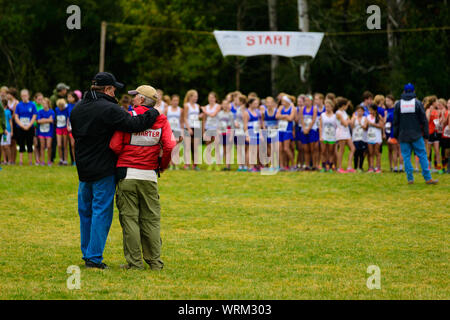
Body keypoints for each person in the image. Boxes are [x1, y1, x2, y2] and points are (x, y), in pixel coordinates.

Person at [70, 72, 161, 269]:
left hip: (83, 169)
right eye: (114, 90)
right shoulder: (109, 108)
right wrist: (153, 112)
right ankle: (94, 258)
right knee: (101, 212)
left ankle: (87, 253)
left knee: (85, 212)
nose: (115, 94)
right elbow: (134, 124)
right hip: (104, 168)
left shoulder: (77, 108)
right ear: (108, 89)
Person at [109, 85, 176, 270]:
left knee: (130, 219)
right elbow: (170, 146)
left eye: (135, 96)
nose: (132, 99)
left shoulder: (128, 117)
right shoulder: (162, 120)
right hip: (149, 175)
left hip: (127, 173)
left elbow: (115, 145)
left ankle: (135, 263)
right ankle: (155, 262)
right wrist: (161, 166)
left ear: (141, 100)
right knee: (151, 220)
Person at [393, 83, 438, 184]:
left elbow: (395, 122)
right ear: (414, 92)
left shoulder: (398, 104)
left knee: (406, 157)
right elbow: (424, 120)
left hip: (403, 135)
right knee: (422, 154)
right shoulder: (417, 103)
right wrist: (426, 135)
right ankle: (428, 178)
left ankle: (410, 179)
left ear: (404, 92)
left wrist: (395, 135)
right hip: (416, 135)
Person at [14, 89, 37, 165]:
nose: (24, 97)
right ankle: (21, 161)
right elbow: (16, 116)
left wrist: (29, 125)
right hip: (20, 127)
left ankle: (30, 161)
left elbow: (34, 116)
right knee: (21, 143)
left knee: (30, 143)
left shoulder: (32, 104)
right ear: (21, 96)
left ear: (28, 96)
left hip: (30, 127)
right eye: (23, 96)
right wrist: (21, 125)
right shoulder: (18, 105)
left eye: (25, 95)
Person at [335, 98, 356, 173]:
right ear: (343, 105)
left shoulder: (344, 112)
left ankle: (349, 166)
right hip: (341, 132)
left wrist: (348, 120)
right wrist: (349, 120)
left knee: (353, 148)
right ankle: (339, 167)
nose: (347, 106)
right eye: (346, 105)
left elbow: (348, 122)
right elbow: (346, 123)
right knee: (342, 150)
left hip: (346, 132)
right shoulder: (338, 113)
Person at [299, 95, 319, 170]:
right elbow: (301, 119)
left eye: (309, 101)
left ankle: (314, 165)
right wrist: (304, 128)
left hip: (312, 130)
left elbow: (314, 120)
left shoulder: (314, 109)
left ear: (311, 101)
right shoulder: (302, 109)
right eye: (306, 101)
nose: (307, 102)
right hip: (304, 130)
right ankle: (307, 165)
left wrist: (308, 129)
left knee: (312, 149)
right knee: (306, 149)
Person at [202, 92, 221, 171]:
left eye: (213, 97)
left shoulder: (218, 106)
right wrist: (203, 131)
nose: (211, 99)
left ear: (215, 99)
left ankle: (217, 165)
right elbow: (204, 120)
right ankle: (209, 164)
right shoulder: (206, 107)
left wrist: (204, 110)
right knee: (208, 147)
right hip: (208, 128)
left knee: (216, 147)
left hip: (216, 128)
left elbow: (213, 115)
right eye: (210, 97)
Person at [276, 95, 296, 171]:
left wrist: (282, 116)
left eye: (283, 101)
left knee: (286, 148)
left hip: (287, 130)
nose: (282, 102)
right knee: (280, 148)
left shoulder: (292, 108)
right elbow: (277, 116)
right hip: (280, 130)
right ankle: (281, 166)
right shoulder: (281, 107)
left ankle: (293, 165)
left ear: (287, 101)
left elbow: (291, 118)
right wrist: (285, 116)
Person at [182, 90, 201, 170]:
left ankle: (195, 164)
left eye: (197, 96)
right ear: (190, 97)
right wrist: (188, 128)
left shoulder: (197, 106)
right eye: (195, 96)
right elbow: (185, 118)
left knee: (195, 147)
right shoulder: (186, 105)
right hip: (188, 127)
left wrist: (201, 116)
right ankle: (187, 164)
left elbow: (196, 117)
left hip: (196, 127)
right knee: (187, 146)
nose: (196, 98)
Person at [385, 94, 403, 172]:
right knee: (400, 151)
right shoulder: (402, 114)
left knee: (395, 151)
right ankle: (401, 168)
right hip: (401, 133)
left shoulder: (391, 114)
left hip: (393, 134)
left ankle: (395, 168)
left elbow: (388, 124)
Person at [319, 99, 337, 172]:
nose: (327, 108)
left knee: (331, 151)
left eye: (329, 107)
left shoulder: (335, 116)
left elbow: (337, 126)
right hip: (324, 135)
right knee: (323, 151)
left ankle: (330, 166)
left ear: (332, 107)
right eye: (326, 107)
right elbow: (320, 126)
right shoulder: (322, 115)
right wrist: (320, 136)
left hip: (332, 136)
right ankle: (323, 166)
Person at [166, 94, 183, 170]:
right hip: (169, 130)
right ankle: (170, 163)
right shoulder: (167, 109)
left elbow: (181, 122)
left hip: (177, 130)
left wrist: (182, 132)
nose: (175, 102)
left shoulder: (180, 110)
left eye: (177, 100)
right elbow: (164, 120)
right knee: (170, 147)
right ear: (171, 101)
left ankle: (175, 164)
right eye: (174, 100)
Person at [217, 99, 235, 170]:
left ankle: (228, 165)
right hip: (221, 133)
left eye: (226, 104)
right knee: (223, 149)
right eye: (223, 104)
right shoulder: (219, 113)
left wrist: (231, 136)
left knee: (228, 150)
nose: (225, 106)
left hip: (228, 132)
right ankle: (225, 165)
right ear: (221, 105)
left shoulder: (231, 114)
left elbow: (232, 126)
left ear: (228, 105)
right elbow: (218, 124)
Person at [425, 96, 442, 173]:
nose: (437, 103)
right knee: (428, 150)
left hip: (435, 133)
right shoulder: (428, 110)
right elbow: (426, 121)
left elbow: (437, 122)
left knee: (437, 150)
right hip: (429, 133)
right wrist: (430, 113)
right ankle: (428, 167)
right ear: (433, 102)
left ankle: (439, 168)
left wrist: (439, 128)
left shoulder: (436, 111)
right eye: (436, 101)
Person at [36, 98, 55, 166]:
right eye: (43, 104)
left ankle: (49, 160)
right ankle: (43, 161)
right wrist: (47, 119)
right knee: (42, 146)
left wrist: (43, 119)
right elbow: (38, 121)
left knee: (49, 146)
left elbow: (51, 120)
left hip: (49, 132)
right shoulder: (40, 112)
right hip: (41, 132)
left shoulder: (51, 111)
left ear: (48, 104)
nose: (44, 105)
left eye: (45, 103)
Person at [366, 104, 384, 173]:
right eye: (369, 110)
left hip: (377, 137)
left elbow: (381, 126)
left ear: (375, 110)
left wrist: (372, 124)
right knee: (371, 153)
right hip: (370, 137)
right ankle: (371, 167)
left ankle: (378, 167)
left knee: (377, 152)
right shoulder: (368, 117)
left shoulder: (378, 117)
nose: (370, 111)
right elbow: (366, 126)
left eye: (371, 110)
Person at [351, 105, 368, 172]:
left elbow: (365, 127)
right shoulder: (354, 118)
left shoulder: (365, 118)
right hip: (355, 138)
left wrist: (360, 123)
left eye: (361, 111)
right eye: (358, 111)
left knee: (362, 153)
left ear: (363, 112)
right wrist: (354, 119)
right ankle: (355, 167)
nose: (359, 112)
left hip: (362, 138)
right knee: (356, 153)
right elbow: (352, 126)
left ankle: (360, 167)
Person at [55, 98, 69, 165]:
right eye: (59, 106)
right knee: (59, 145)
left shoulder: (66, 110)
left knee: (65, 145)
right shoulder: (56, 110)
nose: (60, 108)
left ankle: (65, 160)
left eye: (62, 106)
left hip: (65, 129)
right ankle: (61, 159)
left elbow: (68, 118)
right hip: (58, 128)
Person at [1, 99, 12, 164]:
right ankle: (4, 160)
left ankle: (10, 160)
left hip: (7, 130)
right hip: (1, 130)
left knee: (6, 145)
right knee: (2, 145)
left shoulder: (8, 111)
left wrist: (11, 131)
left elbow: (10, 121)